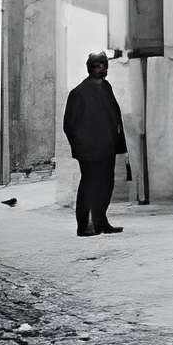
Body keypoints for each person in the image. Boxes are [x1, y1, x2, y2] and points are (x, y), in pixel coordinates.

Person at [63, 51, 127, 238]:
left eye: (104, 64)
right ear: (90, 68)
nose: (102, 68)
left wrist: (117, 142)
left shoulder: (106, 87)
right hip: (89, 150)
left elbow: (114, 116)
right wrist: (81, 148)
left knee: (106, 185)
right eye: (98, 65)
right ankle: (84, 226)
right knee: (89, 185)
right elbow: (70, 126)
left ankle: (101, 222)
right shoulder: (78, 93)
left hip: (107, 147)